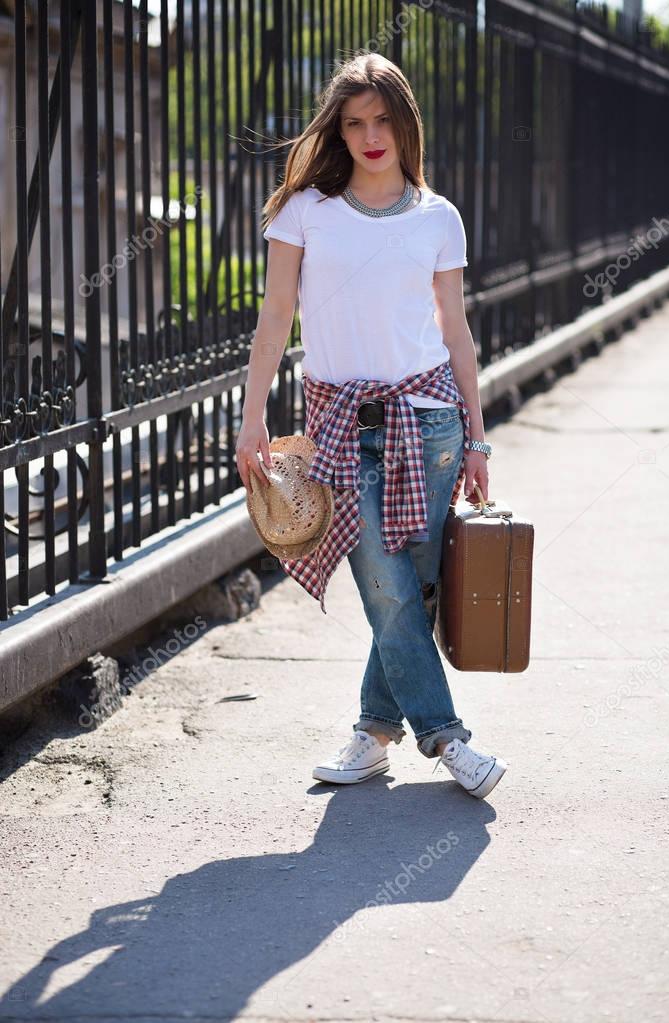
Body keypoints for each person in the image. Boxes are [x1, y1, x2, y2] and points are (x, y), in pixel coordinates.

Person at [237, 53, 507, 800]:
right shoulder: (305, 211)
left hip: (431, 427)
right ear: (339, 130)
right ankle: (448, 739)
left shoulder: (437, 217)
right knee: (385, 587)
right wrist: (252, 414)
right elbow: (274, 319)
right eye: (353, 122)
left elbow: (456, 334)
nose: (369, 135)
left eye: (381, 118)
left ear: (404, 121)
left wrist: (477, 437)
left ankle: (372, 732)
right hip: (339, 425)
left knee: (409, 592)